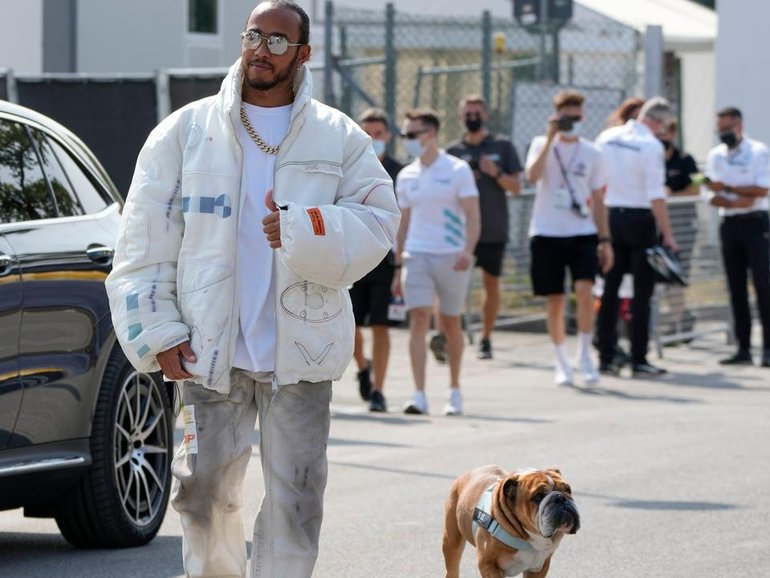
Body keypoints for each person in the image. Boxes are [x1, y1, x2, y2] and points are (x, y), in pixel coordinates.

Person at [105, 2, 400, 577]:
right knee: (203, 495)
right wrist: (159, 332)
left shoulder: (338, 135)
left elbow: (379, 222)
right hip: (206, 351)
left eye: (277, 40)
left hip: (303, 351)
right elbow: (142, 243)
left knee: (298, 498)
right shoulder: (186, 131)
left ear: (303, 53)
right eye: (252, 36)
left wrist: (302, 227)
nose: (261, 49)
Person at [392, 108, 480, 415]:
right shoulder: (406, 175)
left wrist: (468, 250)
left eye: (412, 134)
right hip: (416, 255)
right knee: (418, 319)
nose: (407, 140)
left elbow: (472, 215)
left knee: (450, 321)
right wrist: (399, 261)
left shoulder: (457, 170)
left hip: (451, 255)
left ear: (430, 135)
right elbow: (403, 222)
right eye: (404, 135)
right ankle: (418, 394)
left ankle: (454, 390)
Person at [525, 90, 613, 385]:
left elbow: (599, 197)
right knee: (555, 299)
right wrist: (550, 138)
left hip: (582, 231)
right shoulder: (541, 144)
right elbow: (532, 176)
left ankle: (586, 353)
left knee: (585, 291)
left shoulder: (593, 152)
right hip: (547, 231)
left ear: (583, 116)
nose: (571, 122)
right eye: (566, 116)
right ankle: (561, 359)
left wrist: (605, 239)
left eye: (576, 116)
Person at [594, 96, 679, 376]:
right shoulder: (650, 145)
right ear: (659, 123)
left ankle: (606, 354)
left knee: (610, 288)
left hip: (610, 216)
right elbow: (656, 194)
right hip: (639, 218)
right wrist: (667, 234)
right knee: (642, 293)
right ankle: (638, 356)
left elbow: (596, 181)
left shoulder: (607, 137)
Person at [446, 94, 522, 360]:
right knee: (452, 284)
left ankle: (486, 337)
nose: (473, 117)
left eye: (477, 112)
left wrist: (495, 173)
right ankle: (450, 335)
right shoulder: (453, 152)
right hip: (458, 232)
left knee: (491, 284)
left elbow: (516, 187)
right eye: (468, 113)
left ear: (487, 115)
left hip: (492, 228)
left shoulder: (502, 147)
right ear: (460, 116)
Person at [705, 106, 770, 367]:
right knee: (736, 288)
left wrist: (730, 190)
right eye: (719, 129)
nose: (723, 133)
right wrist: (733, 200)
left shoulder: (757, 151)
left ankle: (767, 348)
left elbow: (762, 190)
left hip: (756, 225)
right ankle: (742, 348)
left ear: (738, 126)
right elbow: (710, 192)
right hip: (729, 224)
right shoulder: (716, 155)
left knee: (764, 286)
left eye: (727, 128)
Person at [350, 107, 403, 412]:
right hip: (355, 256)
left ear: (388, 136)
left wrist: (401, 265)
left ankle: (379, 390)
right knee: (351, 325)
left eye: (378, 134)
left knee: (380, 326)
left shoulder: (399, 171)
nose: (373, 139)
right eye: (367, 133)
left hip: (386, 258)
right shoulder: (350, 169)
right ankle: (362, 367)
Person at [659, 118, 699, 336]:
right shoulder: (652, 158)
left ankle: (678, 322)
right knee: (664, 274)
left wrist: (672, 195)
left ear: (673, 134)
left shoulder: (685, 159)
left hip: (682, 226)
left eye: (665, 133)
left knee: (677, 273)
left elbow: (696, 190)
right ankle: (681, 318)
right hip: (659, 226)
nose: (661, 137)